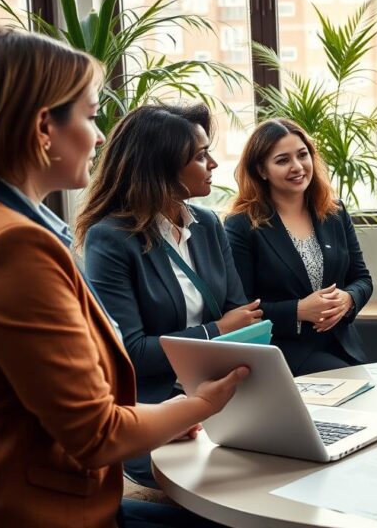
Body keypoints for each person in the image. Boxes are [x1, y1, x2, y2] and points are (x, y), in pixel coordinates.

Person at [0, 26, 246, 527]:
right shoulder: (18, 247)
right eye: (88, 116)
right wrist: (198, 405)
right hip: (49, 513)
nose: (101, 135)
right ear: (45, 128)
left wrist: (159, 419)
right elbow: (97, 433)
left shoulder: (10, 227)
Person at [77, 103, 261, 486]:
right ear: (159, 167)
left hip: (227, 397)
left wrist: (229, 332)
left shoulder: (208, 224)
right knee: (226, 485)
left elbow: (241, 315)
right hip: (157, 410)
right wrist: (215, 332)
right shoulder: (111, 239)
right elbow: (132, 352)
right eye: (199, 156)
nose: (212, 163)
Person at [224, 119, 371, 375]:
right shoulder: (242, 225)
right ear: (261, 170)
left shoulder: (335, 213)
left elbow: (362, 279)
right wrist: (298, 311)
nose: (297, 167)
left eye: (303, 155)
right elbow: (239, 308)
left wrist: (348, 299)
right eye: (282, 160)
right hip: (283, 353)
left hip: (342, 345)